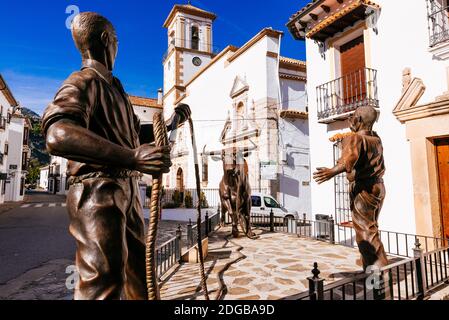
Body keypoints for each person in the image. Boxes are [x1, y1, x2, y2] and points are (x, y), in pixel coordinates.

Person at [42, 12, 191, 300]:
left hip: (128, 190)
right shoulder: (83, 81)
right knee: (103, 281)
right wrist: (133, 158)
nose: (118, 47)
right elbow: (58, 134)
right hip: (96, 193)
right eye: (117, 41)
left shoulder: (117, 89)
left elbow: (134, 133)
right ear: (107, 40)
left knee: (141, 274)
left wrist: (171, 123)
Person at [313, 106, 388, 270]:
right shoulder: (376, 139)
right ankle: (369, 267)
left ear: (359, 120)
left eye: (353, 116)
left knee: (366, 235)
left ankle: (380, 274)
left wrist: (331, 172)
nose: (350, 119)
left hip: (364, 190)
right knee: (371, 228)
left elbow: (350, 157)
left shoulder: (355, 138)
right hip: (378, 186)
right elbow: (361, 160)